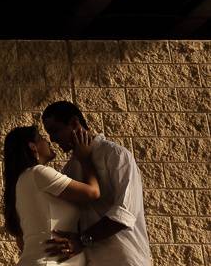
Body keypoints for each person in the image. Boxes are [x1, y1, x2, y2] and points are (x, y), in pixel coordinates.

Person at [41, 101, 151, 265]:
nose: (53, 138)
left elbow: (125, 212)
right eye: (49, 133)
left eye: (55, 130)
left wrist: (81, 240)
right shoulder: (69, 169)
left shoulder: (116, 155)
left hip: (125, 258)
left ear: (74, 123)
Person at [3, 125, 101, 265]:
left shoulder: (20, 182)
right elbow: (93, 192)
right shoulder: (39, 173)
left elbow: (22, 243)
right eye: (42, 138)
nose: (48, 141)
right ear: (33, 147)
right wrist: (84, 158)